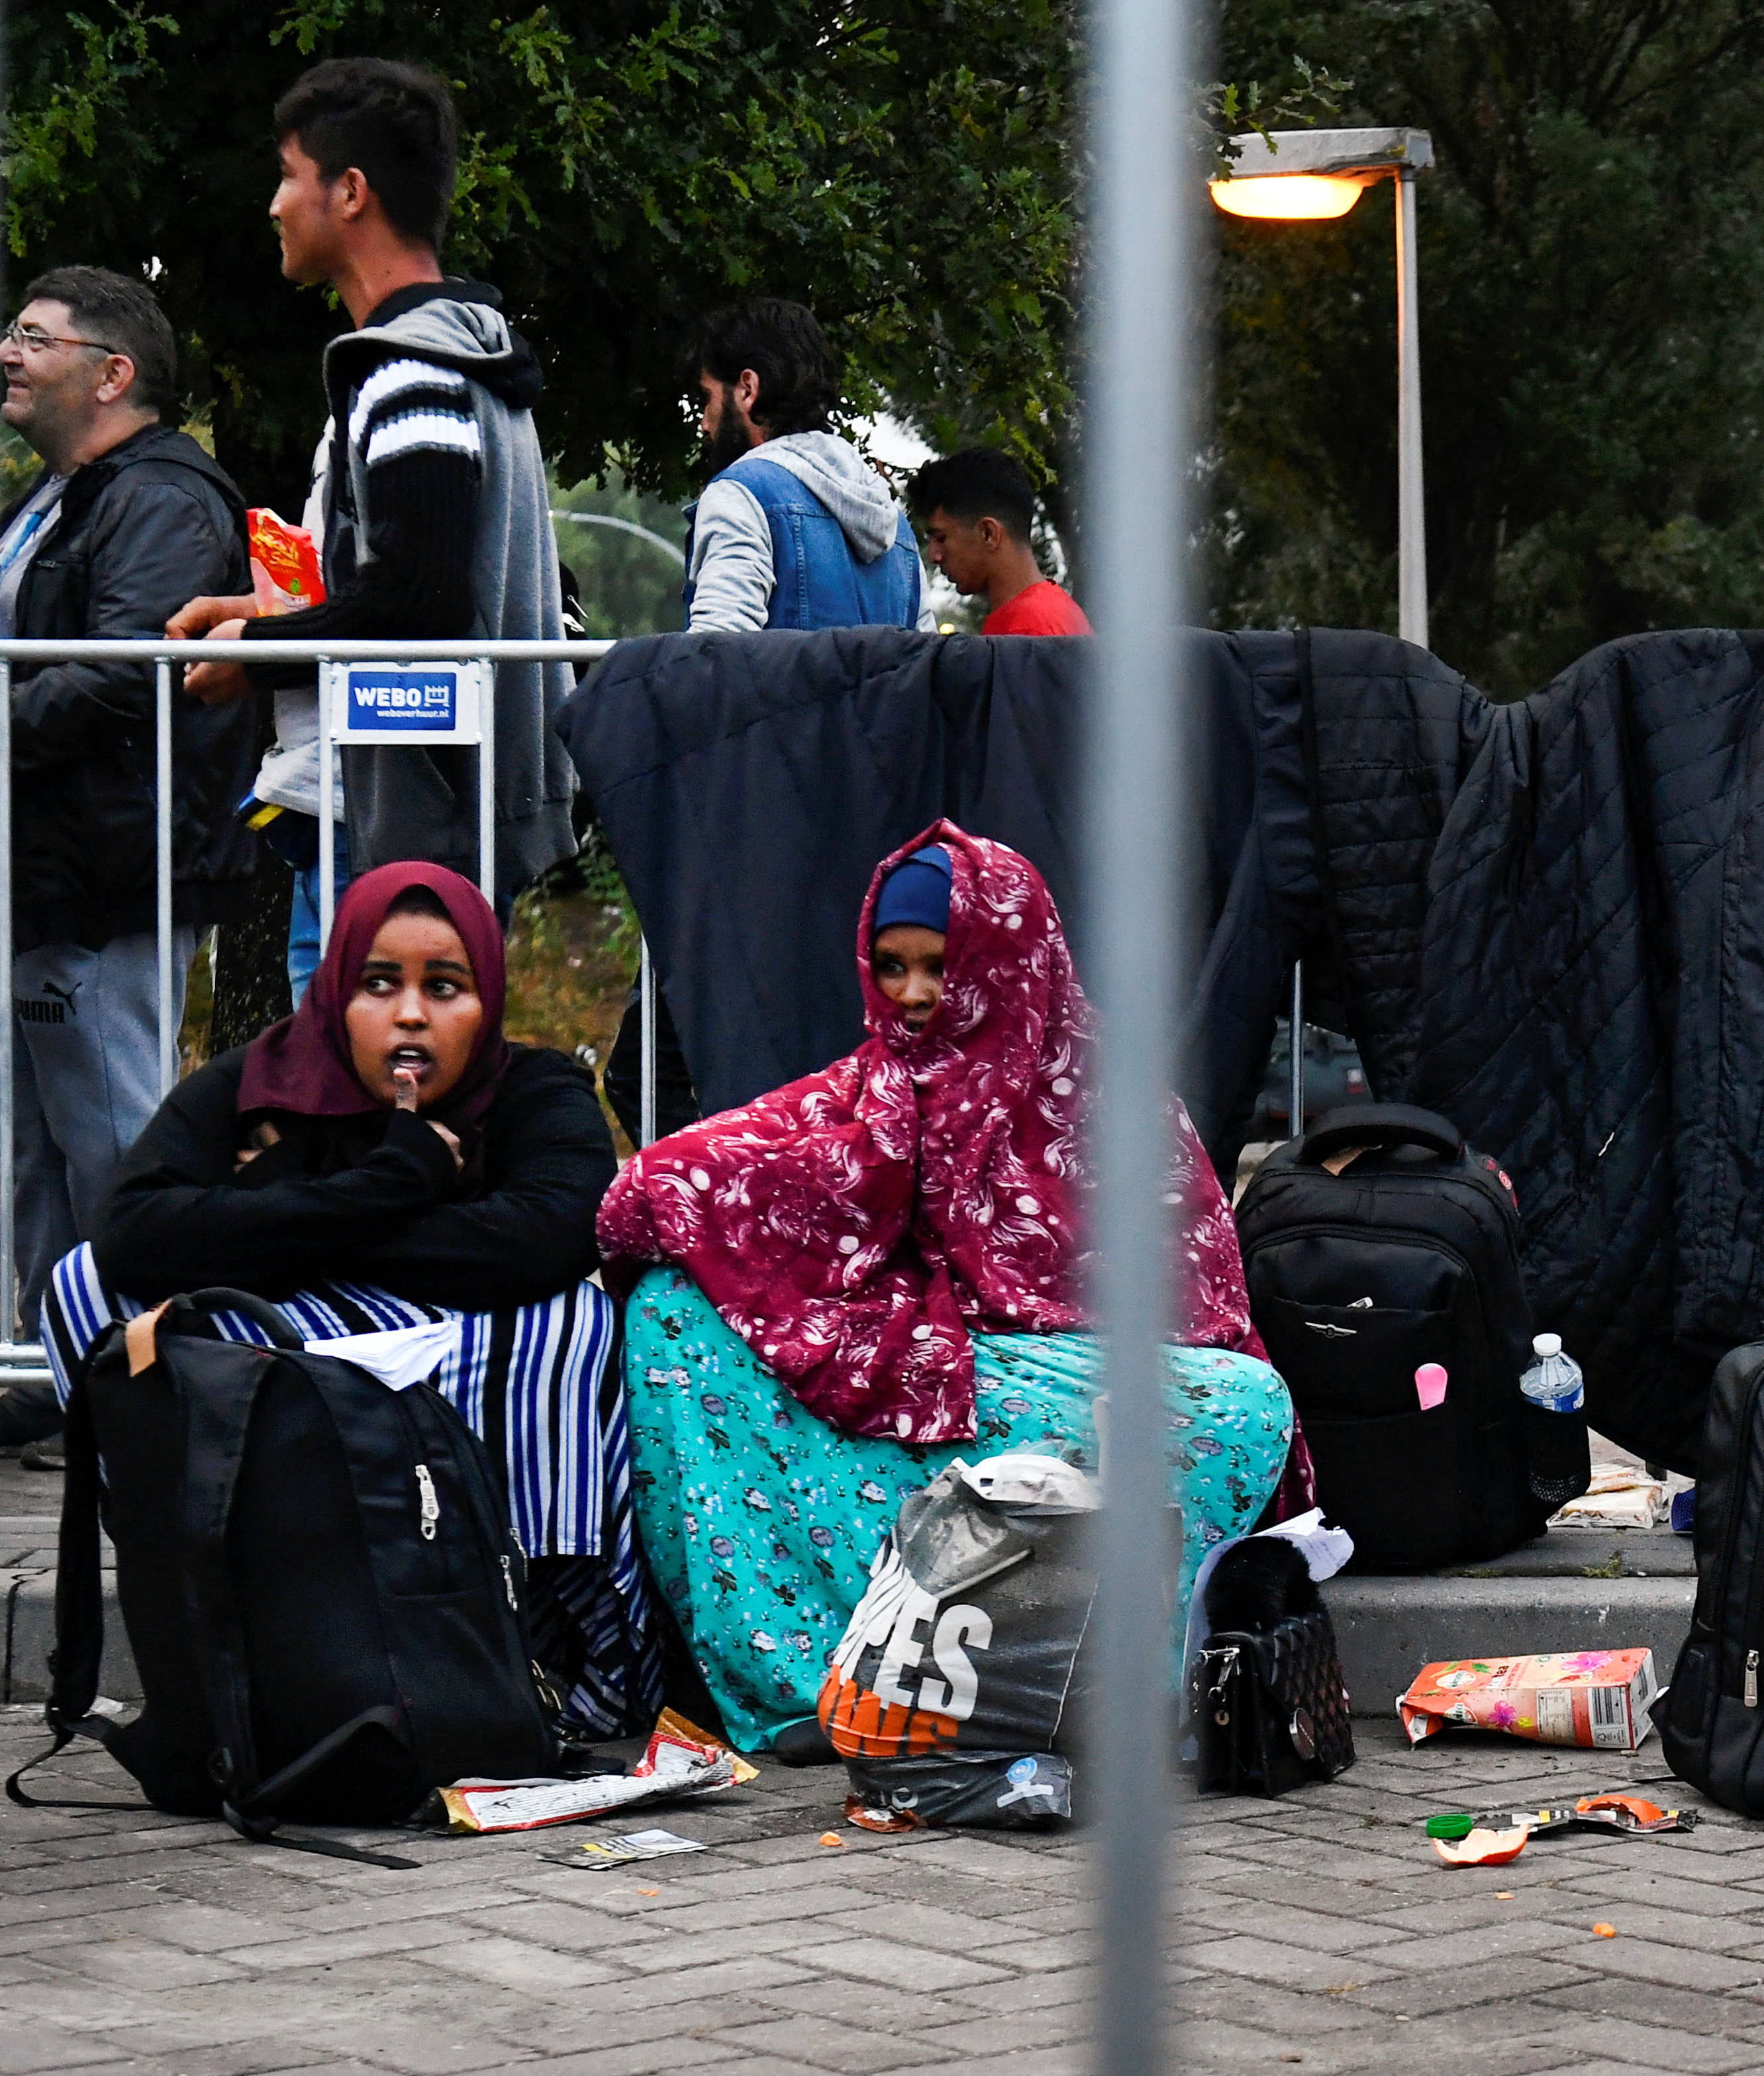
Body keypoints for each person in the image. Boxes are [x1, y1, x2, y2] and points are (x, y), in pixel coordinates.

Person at [598, 824, 1306, 1756]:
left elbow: (1200, 1323)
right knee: (672, 1313)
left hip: (1056, 1410)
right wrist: (882, 1323)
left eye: (942, 965)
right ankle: (829, 1677)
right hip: (914, 1387)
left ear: (1009, 960)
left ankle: (1060, 1674)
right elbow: (657, 1192)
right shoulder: (860, 1100)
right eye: (892, 968)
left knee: (1245, 1406)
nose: (916, 995)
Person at [45, 862, 658, 1736]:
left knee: (570, 1318)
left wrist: (277, 1229)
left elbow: (544, 1237)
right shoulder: (256, 1084)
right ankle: (193, 1579)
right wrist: (391, 1184)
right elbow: (133, 1232)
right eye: (379, 985)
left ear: (486, 1004)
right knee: (82, 1287)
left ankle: (542, 1651)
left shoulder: (532, 1088)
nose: (410, 1015)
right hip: (284, 1359)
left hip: (447, 1356)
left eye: (444, 988)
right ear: (335, 994)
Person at [164, 59, 577, 1001]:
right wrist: (255, 613)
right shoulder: (456, 358)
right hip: (424, 812)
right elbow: (425, 579)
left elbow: (420, 600)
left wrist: (257, 651)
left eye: (288, 175)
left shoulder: (408, 373)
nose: (272, 205)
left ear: (349, 193)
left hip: (405, 823)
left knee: (373, 1118)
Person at [0, 267, 256, 1450]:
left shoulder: (158, 498)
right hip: (52, 869)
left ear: (113, 374)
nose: (10, 351)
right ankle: (70, 1382)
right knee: (43, 1154)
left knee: (114, 1139)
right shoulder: (60, 495)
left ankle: (163, 1387)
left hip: (110, 875)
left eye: (36, 338)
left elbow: (122, 674)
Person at [677, 299, 923, 634]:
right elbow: (926, 670)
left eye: (707, 399)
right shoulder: (898, 531)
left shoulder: (741, 496)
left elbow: (715, 661)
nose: (705, 423)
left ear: (748, 389)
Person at [906, 447, 1086, 635]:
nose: (934, 555)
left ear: (988, 534)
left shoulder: (1027, 630)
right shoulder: (1054, 613)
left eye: (941, 538)